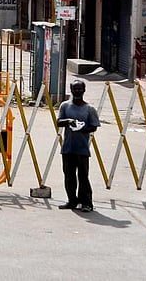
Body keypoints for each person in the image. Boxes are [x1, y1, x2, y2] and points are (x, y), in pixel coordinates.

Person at [57, 80, 100, 212]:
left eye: (80, 89)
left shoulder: (89, 109)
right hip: (67, 148)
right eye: (75, 89)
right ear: (71, 90)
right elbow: (59, 122)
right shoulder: (65, 106)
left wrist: (82, 128)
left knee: (83, 176)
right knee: (69, 176)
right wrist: (68, 121)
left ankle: (86, 203)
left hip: (82, 149)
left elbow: (94, 127)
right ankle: (72, 200)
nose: (77, 91)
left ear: (84, 90)